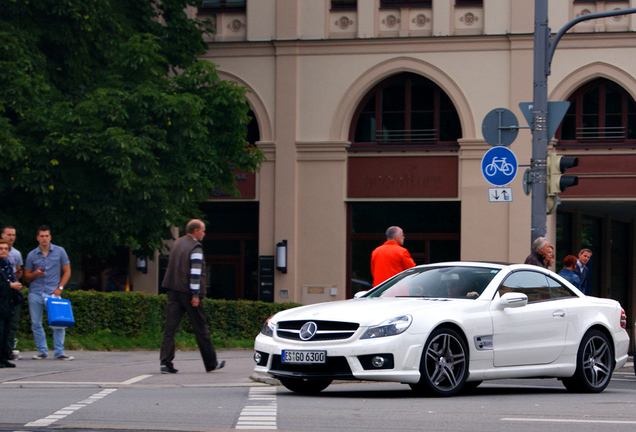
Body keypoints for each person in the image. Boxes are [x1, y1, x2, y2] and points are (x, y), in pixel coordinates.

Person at [159, 219, 225, 374]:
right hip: (188, 293)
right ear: (195, 230)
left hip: (173, 290)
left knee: (170, 329)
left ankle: (165, 363)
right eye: (202, 230)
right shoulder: (195, 247)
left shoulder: (177, 243)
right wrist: (195, 294)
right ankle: (211, 363)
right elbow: (195, 272)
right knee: (201, 328)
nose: (204, 233)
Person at [23, 225, 73, 361]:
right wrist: (35, 274)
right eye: (42, 236)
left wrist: (60, 287)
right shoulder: (32, 255)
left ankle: (59, 351)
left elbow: (67, 271)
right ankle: (42, 351)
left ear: (50, 237)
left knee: (60, 322)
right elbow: (26, 276)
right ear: (37, 238)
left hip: (53, 291)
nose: (44, 239)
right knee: (36, 323)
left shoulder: (59, 251)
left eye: (46, 236)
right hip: (36, 291)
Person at [1, 226, 23, 360]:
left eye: (13, 235)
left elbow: (17, 271)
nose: (11, 237)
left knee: (10, 326)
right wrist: (10, 284)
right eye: (8, 234)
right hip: (3, 295)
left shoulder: (15, 255)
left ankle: (6, 352)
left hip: (10, 295)